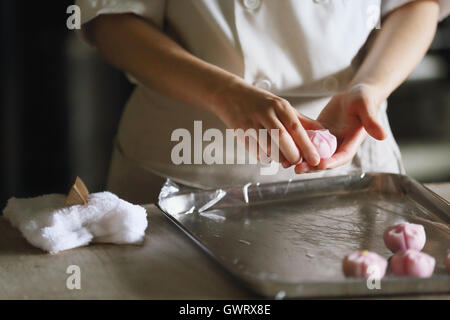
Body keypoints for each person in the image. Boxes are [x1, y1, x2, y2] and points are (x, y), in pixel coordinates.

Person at [76, 0, 449, 204]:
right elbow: (111, 19)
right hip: (187, 166)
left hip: (348, 161)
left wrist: (371, 85)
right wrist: (221, 91)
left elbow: (416, 4)